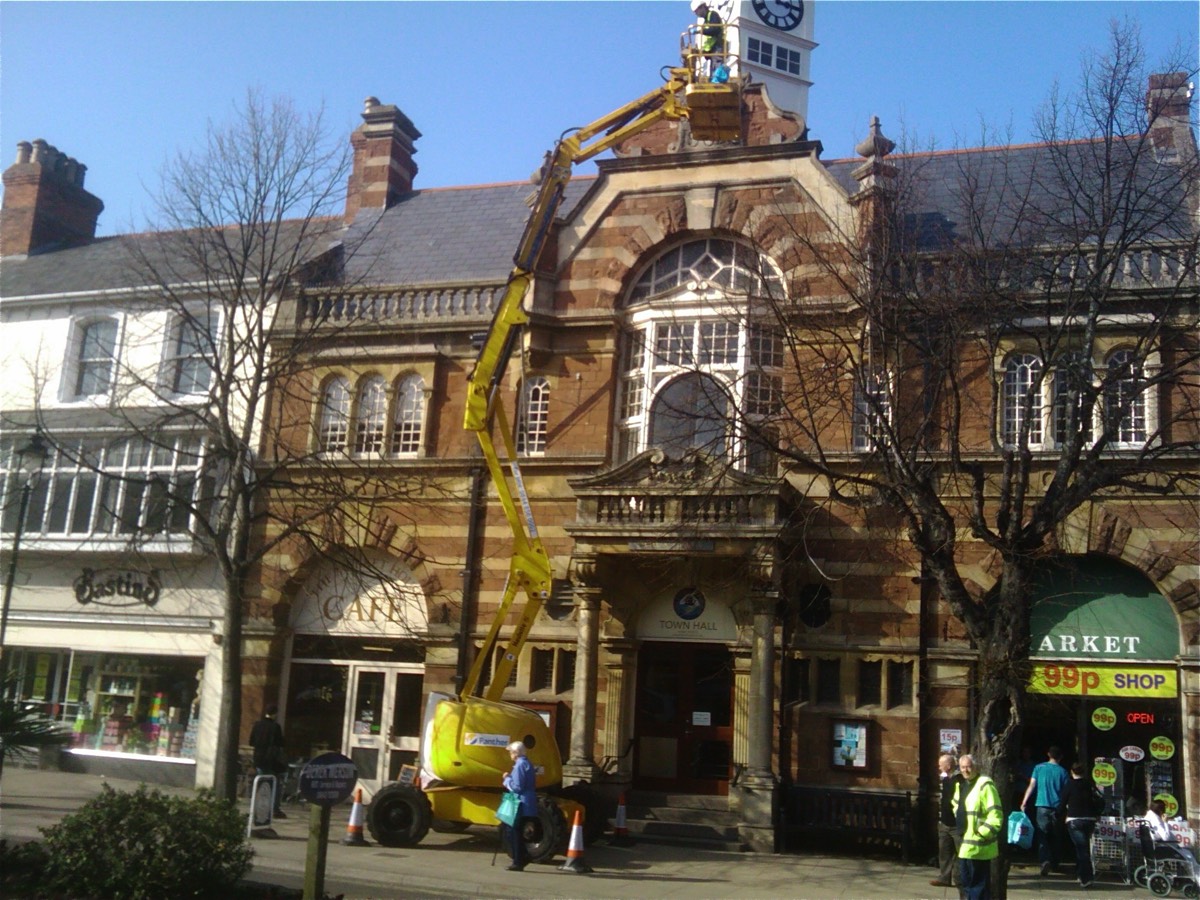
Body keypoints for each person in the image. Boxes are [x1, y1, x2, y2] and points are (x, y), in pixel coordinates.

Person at [954, 754, 1004, 900]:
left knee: (978, 888)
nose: (965, 770)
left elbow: (995, 814)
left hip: (979, 846)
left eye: (968, 766)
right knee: (967, 884)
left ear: (976, 767)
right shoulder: (962, 785)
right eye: (962, 767)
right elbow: (957, 807)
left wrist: (982, 833)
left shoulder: (985, 784)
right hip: (965, 845)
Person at [1021, 745, 1069, 876]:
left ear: (1048, 754)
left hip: (1042, 805)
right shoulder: (1063, 772)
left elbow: (1032, 785)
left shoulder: (1039, 768)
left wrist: (1024, 801)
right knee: (1056, 835)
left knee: (1042, 834)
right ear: (1061, 757)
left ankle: (1044, 860)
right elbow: (1066, 793)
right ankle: (1055, 863)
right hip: (1058, 807)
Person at [1057, 762, 1102, 888]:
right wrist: (1097, 813)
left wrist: (1057, 814)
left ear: (1072, 772)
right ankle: (1080, 873)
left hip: (1074, 819)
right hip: (1090, 819)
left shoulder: (1069, 785)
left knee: (1081, 849)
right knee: (1083, 846)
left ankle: (1086, 877)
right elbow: (1099, 799)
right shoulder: (1089, 785)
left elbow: (1062, 802)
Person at [502, 740, 537, 872]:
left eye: (511, 752)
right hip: (527, 801)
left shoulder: (519, 765)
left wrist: (507, 779)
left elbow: (517, 787)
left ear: (516, 753)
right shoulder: (526, 763)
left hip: (520, 802)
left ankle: (518, 859)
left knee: (513, 831)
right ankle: (523, 856)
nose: (510, 754)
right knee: (516, 830)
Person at [249, 704, 288, 818]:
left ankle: (259, 806)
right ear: (274, 714)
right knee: (274, 784)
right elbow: (280, 743)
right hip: (271, 760)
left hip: (259, 759)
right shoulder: (275, 727)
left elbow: (251, 742)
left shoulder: (257, 725)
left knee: (261, 783)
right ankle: (274, 808)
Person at [932, 752, 964, 888]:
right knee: (943, 851)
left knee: (960, 853)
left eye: (941, 765)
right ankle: (944, 877)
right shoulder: (944, 780)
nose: (939, 767)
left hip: (957, 823)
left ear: (949, 765)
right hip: (944, 822)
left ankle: (959, 879)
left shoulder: (960, 780)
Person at [690, 0, 725, 76]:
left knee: (717, 68)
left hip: (717, 46)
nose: (697, 14)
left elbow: (715, 30)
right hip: (712, 49)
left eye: (697, 11)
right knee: (713, 69)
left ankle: (718, 81)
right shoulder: (706, 20)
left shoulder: (713, 15)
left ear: (702, 7)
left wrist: (699, 31)